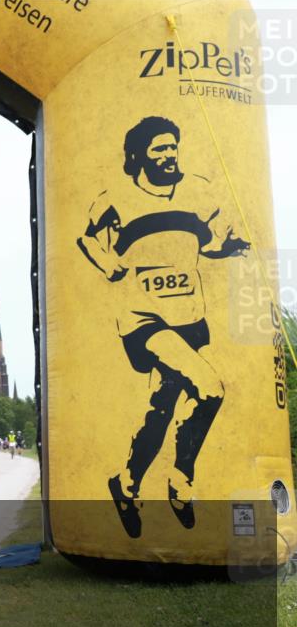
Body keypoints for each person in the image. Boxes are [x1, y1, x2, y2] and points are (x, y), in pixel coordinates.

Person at [76, 116, 249, 539]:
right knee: (210, 387)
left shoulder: (198, 190)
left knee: (161, 407)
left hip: (189, 316)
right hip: (143, 318)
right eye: (159, 149)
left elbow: (205, 244)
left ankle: (127, 484)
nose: (169, 155)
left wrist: (228, 249)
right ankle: (180, 479)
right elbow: (87, 238)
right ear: (137, 156)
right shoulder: (116, 197)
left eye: (173, 147)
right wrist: (108, 263)